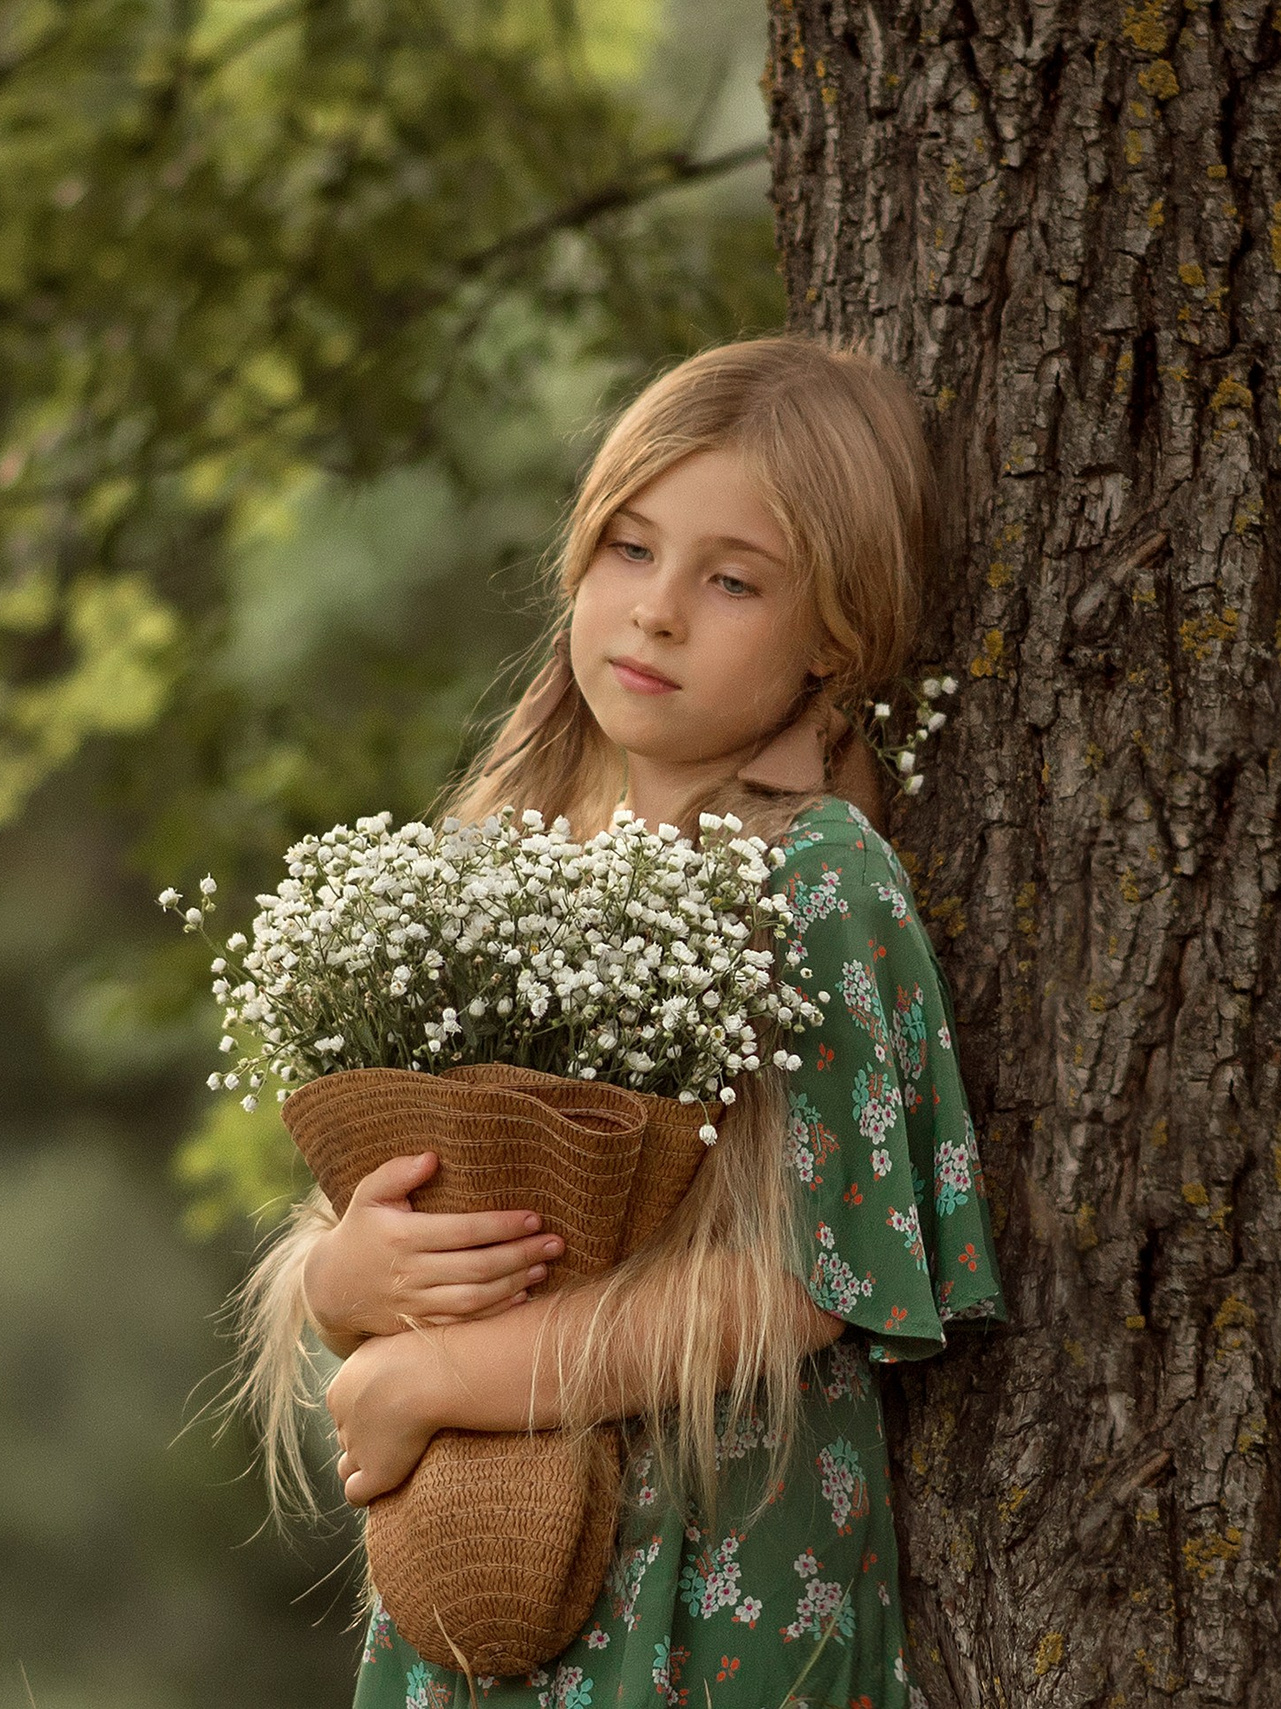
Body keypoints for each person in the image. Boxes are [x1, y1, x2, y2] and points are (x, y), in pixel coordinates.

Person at [228, 335, 1006, 1709]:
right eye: (629, 550)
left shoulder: (815, 876)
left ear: (835, 632)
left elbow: (796, 1281)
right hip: (493, 1550)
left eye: (732, 580)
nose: (655, 612)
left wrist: (439, 1378)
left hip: (711, 1583)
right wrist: (343, 1284)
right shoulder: (492, 866)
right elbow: (423, 1213)